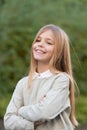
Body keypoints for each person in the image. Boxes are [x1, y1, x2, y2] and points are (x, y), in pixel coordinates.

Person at [4, 24, 78, 130]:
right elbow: (8, 121)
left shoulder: (61, 80)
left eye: (49, 43)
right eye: (38, 40)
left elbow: (44, 112)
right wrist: (31, 125)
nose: (40, 44)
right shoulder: (23, 83)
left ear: (59, 51)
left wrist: (20, 111)